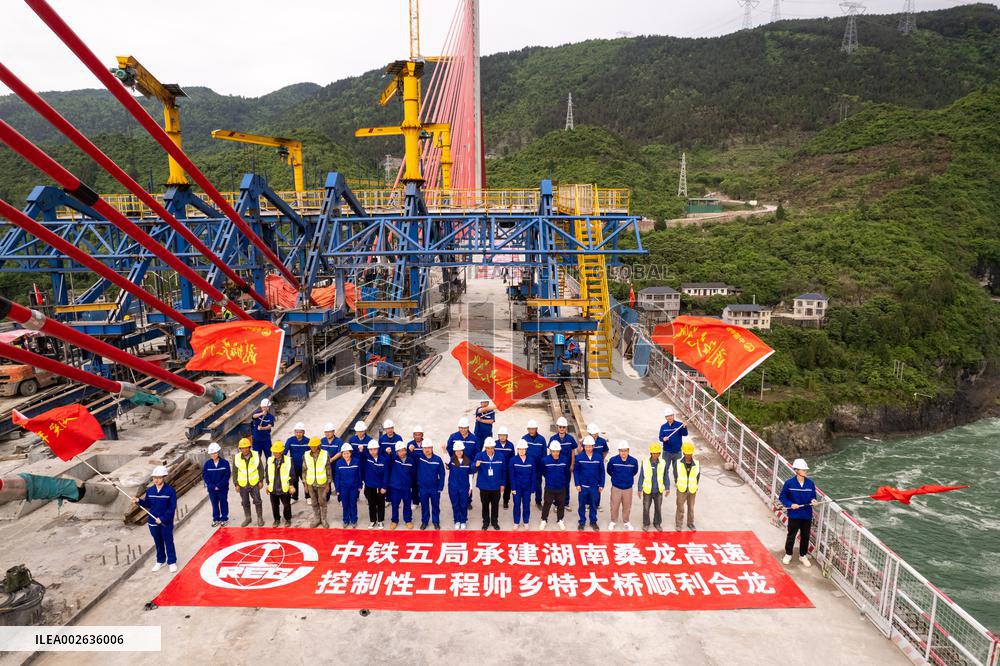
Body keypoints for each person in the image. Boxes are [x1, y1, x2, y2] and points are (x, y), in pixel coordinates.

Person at [135, 465, 177, 572]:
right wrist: (138, 501)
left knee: (168, 541)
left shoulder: (170, 491)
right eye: (154, 478)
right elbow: (147, 503)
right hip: (152, 522)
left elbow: (171, 508)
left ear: (163, 477)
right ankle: (160, 561)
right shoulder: (150, 491)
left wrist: (162, 518)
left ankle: (171, 561)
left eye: (158, 478)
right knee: (158, 542)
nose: (156, 480)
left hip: (165, 522)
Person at [780, 458, 818, 567]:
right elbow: (783, 497)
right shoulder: (789, 483)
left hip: (806, 515)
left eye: (806, 470)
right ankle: (788, 554)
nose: (806, 471)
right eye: (803, 469)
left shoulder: (810, 483)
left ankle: (803, 556)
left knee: (805, 536)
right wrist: (791, 504)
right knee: (791, 535)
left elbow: (813, 497)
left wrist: (813, 501)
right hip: (794, 514)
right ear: (796, 470)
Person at [574, 436, 606, 530]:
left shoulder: (598, 457)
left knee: (593, 504)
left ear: (593, 446)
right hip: (583, 486)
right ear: (584, 446)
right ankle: (582, 522)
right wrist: (577, 484)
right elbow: (576, 471)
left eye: (590, 446)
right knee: (582, 505)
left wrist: (601, 484)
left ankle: (593, 521)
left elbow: (602, 472)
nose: (588, 448)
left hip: (594, 487)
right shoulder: (579, 457)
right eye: (586, 446)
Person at [607, 441, 639, 530]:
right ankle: (613, 521)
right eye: (621, 451)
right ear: (618, 451)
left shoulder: (633, 461)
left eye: (625, 451)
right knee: (614, 505)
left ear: (628, 451)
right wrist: (616, 478)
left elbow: (634, 471)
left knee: (627, 506)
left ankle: (626, 521)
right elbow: (609, 470)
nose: (623, 453)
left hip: (628, 488)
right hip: (616, 487)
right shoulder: (613, 460)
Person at [415, 438, 446, 529]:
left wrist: (440, 487)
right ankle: (425, 521)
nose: (427, 450)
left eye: (429, 447)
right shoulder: (419, 458)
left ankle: (436, 521)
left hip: (434, 488)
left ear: (432, 448)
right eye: (425, 448)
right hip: (423, 487)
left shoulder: (437, 459)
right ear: (422, 449)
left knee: (435, 505)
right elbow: (408, 455)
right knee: (424, 506)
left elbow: (442, 474)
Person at [638, 442, 669, 531]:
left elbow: (665, 475)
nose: (655, 455)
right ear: (651, 453)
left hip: (658, 490)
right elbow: (641, 476)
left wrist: (667, 487)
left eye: (657, 453)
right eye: (654, 453)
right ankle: (646, 523)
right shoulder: (645, 462)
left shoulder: (663, 463)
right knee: (646, 507)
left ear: (659, 453)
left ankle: (657, 523)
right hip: (648, 490)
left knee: (658, 508)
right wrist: (640, 489)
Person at [233, 438, 265, 527]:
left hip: (254, 483)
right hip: (242, 484)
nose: (244, 450)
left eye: (246, 447)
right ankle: (248, 518)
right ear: (239, 449)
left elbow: (261, 469)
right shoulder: (237, 457)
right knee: (245, 502)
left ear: (249, 447)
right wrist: (236, 484)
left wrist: (261, 481)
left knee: (257, 501)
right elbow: (234, 472)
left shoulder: (255, 455)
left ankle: (259, 517)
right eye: (242, 448)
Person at [475, 437, 504, 530]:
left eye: (492, 448)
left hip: (496, 486)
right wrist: (475, 465)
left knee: (495, 505)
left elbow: (504, 471)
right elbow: (472, 469)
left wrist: (503, 484)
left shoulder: (500, 456)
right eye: (488, 448)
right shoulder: (480, 456)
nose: (490, 450)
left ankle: (494, 522)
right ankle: (486, 522)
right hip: (484, 486)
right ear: (485, 447)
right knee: (485, 505)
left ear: (494, 447)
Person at [539, 442, 569, 530]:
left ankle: (560, 519)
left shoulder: (564, 459)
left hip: (561, 487)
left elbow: (566, 472)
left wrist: (563, 481)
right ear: (550, 451)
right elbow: (543, 472)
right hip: (550, 487)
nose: (556, 453)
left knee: (561, 504)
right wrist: (549, 478)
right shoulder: (545, 460)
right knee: (547, 504)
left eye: (557, 451)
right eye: (553, 451)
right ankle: (544, 519)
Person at [303, 437, 331, 528]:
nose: (313, 448)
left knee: (322, 501)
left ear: (318, 445)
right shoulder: (306, 455)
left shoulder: (325, 454)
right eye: (311, 446)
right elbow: (304, 470)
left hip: (322, 483)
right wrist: (305, 485)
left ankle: (323, 519)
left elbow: (328, 470)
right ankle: (317, 518)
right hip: (310, 483)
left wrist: (328, 484)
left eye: (315, 446)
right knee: (314, 502)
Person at [549, 416, 577, 504]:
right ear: (557, 427)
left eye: (563, 427)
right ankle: (556, 503)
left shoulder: (570, 439)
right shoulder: (553, 439)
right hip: (556, 466)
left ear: (566, 428)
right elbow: (550, 453)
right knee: (556, 484)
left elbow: (573, 452)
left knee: (566, 484)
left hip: (567, 467)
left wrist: (572, 464)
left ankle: (566, 502)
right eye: (560, 427)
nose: (561, 429)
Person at [387, 442, 416, 528]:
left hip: (406, 487)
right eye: (399, 451)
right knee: (395, 504)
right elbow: (387, 460)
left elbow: (413, 473)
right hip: (395, 487)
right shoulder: (394, 460)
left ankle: (408, 520)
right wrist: (388, 453)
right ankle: (394, 520)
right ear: (396, 452)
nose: (402, 453)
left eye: (403, 450)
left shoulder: (410, 460)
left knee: (407, 504)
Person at [673, 441, 701, 530]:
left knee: (691, 507)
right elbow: (675, 475)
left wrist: (694, 485)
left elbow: (697, 476)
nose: (688, 455)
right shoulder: (678, 463)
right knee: (680, 507)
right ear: (683, 453)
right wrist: (679, 484)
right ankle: (679, 524)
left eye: (690, 454)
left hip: (692, 489)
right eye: (686, 454)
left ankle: (690, 523)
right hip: (681, 489)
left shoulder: (696, 463)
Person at [333, 443, 362, 528]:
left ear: (351, 453)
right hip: (343, 488)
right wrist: (337, 490)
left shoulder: (356, 461)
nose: (346, 455)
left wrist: (360, 485)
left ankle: (354, 520)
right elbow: (337, 477)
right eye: (344, 453)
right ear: (342, 454)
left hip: (354, 487)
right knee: (345, 504)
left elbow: (359, 474)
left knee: (353, 504)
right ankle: (346, 520)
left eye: (348, 453)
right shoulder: (339, 463)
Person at [508, 439, 535, 529]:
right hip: (517, 487)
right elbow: (511, 475)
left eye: (523, 449)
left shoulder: (531, 460)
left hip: (527, 487)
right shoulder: (513, 460)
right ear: (517, 449)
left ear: (526, 450)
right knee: (516, 504)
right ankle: (516, 521)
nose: (522, 451)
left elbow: (533, 475)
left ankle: (526, 521)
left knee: (526, 504)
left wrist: (532, 487)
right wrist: (513, 488)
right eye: (520, 449)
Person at [202, 442, 230, 527]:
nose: (213, 455)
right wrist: (212, 486)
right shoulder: (207, 465)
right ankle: (216, 518)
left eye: (215, 453)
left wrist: (219, 485)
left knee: (223, 502)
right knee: (214, 503)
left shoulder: (225, 463)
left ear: (218, 452)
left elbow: (227, 475)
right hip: (212, 489)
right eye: (211, 454)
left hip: (223, 488)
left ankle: (224, 518)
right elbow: (205, 476)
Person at [265, 443, 293, 527]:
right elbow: (267, 473)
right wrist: (268, 485)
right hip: (273, 488)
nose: (275, 454)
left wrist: (291, 485)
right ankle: (276, 519)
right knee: (274, 506)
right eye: (274, 452)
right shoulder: (270, 460)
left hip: (284, 488)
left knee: (286, 505)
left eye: (277, 452)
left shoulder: (288, 460)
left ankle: (288, 519)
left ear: (281, 452)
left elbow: (292, 474)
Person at [363, 440, 388, 528]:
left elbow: (386, 474)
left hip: (380, 487)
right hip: (369, 486)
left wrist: (384, 487)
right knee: (371, 504)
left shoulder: (383, 460)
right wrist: (360, 450)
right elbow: (357, 455)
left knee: (381, 504)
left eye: (375, 449)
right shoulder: (366, 458)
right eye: (371, 450)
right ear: (368, 450)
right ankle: (372, 520)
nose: (373, 451)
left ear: (378, 449)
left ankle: (380, 520)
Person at [522, 419, 547, 507]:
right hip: (527, 466)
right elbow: (521, 452)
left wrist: (543, 466)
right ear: (527, 429)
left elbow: (544, 454)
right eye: (530, 429)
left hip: (538, 467)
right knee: (526, 483)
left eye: (533, 429)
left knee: (538, 484)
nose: (531, 431)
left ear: (536, 429)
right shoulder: (524, 439)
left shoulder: (541, 439)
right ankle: (526, 501)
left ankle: (538, 501)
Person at [448, 442, 473, 529]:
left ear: (463, 451)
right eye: (457, 451)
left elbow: (470, 475)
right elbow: (446, 460)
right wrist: (444, 450)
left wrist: (471, 487)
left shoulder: (468, 461)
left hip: (464, 487)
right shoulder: (451, 461)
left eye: (460, 451)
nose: (459, 452)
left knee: (463, 504)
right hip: (453, 486)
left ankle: (463, 520)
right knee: (455, 504)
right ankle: (457, 521)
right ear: (454, 452)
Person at [285, 422, 310, 503]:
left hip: (304, 466)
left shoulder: (307, 441)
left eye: (300, 432)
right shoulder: (290, 440)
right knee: (294, 481)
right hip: (294, 466)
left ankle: (308, 497)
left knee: (306, 481)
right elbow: (285, 451)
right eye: (296, 432)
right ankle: (294, 497)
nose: (298, 434)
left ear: (303, 432)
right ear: (294, 432)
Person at [494, 425, 515, 508]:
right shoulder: (494, 444)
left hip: (507, 469)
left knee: (507, 487)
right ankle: (496, 500)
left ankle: (506, 501)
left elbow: (513, 458)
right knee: (496, 485)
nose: (502, 437)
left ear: (507, 436)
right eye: (500, 435)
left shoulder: (510, 445)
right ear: (498, 436)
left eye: (504, 435)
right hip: (497, 469)